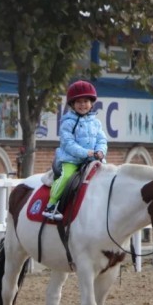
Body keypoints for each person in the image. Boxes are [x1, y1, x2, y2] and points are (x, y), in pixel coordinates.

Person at [42, 80, 107, 221]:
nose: (82, 105)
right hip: (71, 159)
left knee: (109, 176)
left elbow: (102, 140)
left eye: (85, 101)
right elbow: (68, 143)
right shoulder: (67, 122)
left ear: (91, 104)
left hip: (94, 159)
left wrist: (101, 151)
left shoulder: (96, 123)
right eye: (78, 102)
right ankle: (51, 204)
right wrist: (86, 152)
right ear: (72, 104)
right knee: (66, 177)